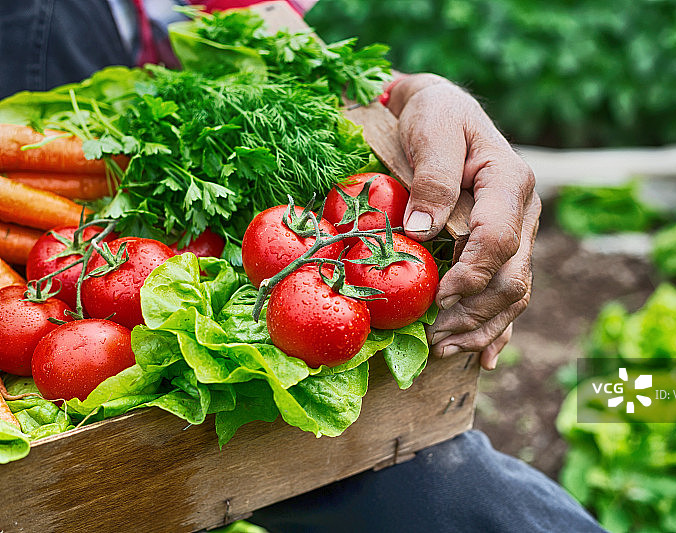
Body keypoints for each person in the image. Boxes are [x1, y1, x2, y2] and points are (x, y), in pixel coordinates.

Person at [0, 2, 606, 532]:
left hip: (181, 301)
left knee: (442, 491)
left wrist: (403, 94)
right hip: (57, 423)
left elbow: (255, 32)